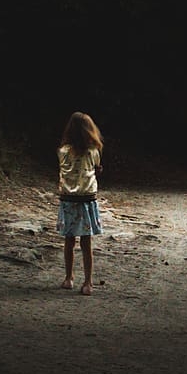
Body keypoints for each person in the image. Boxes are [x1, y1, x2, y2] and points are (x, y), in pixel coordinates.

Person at [56, 111, 103, 295]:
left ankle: (69, 278)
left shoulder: (62, 152)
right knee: (86, 242)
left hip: (68, 200)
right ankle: (88, 282)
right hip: (86, 200)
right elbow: (96, 169)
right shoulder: (94, 152)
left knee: (69, 240)